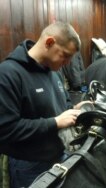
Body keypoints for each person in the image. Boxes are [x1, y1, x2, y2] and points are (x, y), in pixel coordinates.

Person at [0, 21, 87, 188]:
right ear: (49, 42)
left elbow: (64, 106)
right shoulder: (8, 73)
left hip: (59, 157)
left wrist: (74, 110)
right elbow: (6, 129)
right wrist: (55, 122)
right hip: (29, 166)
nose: (68, 63)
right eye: (66, 55)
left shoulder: (55, 74)